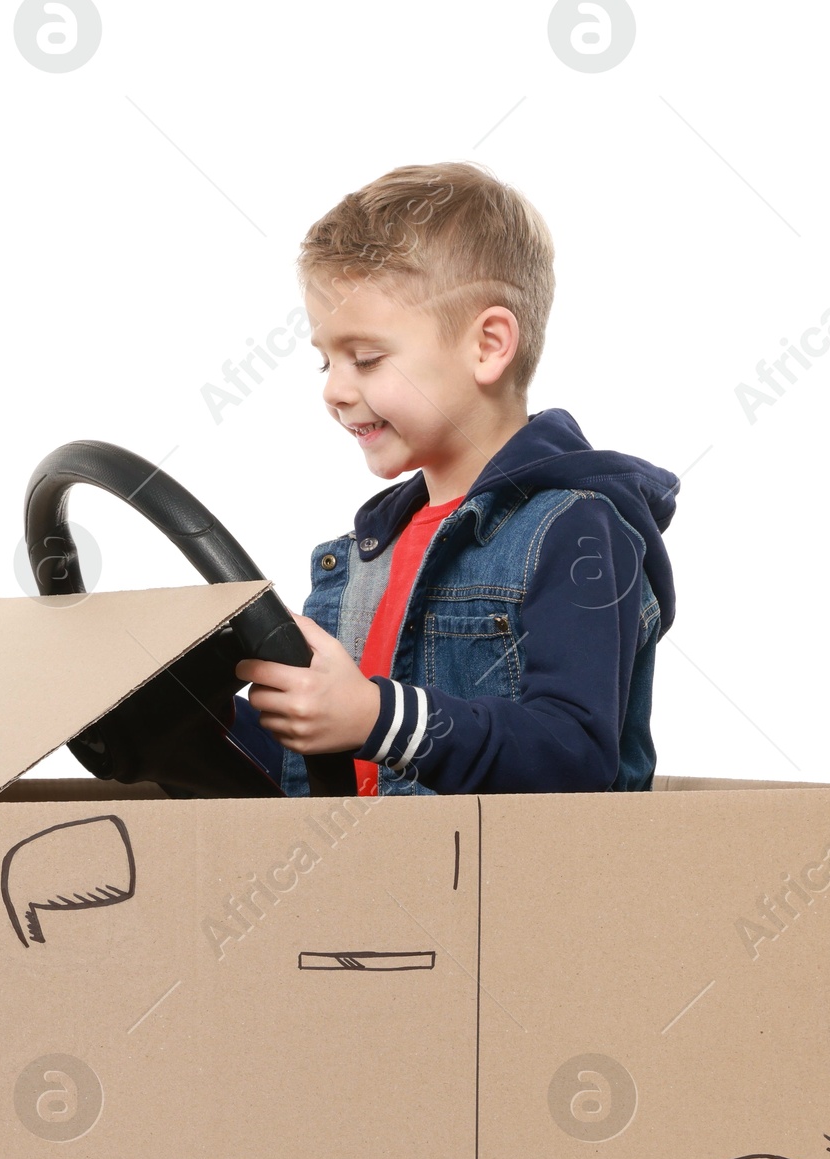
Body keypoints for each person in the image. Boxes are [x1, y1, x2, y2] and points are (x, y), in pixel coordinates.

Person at [228, 161, 678, 797]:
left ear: (489, 346)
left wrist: (377, 716)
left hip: (493, 891)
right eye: (325, 361)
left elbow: (574, 757)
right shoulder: (364, 556)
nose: (333, 389)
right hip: (356, 885)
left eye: (366, 359)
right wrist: (199, 722)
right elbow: (323, 778)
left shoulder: (575, 531)